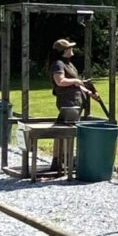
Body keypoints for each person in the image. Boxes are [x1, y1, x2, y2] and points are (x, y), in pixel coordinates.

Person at [46, 38, 88, 175]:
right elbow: (60, 81)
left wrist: (88, 92)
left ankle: (61, 160)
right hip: (68, 101)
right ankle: (63, 160)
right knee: (65, 131)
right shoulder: (58, 64)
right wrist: (75, 80)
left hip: (74, 101)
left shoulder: (67, 63)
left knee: (64, 130)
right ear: (64, 50)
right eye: (70, 47)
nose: (72, 49)